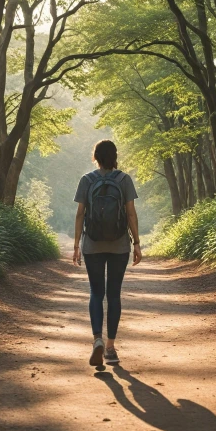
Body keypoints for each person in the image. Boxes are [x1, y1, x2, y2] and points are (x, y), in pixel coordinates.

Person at [73, 139, 142, 367]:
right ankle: (110, 349)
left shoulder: (86, 180)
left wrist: (76, 246)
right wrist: (137, 244)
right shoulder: (124, 180)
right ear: (114, 156)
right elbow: (131, 214)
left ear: (95, 157)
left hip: (92, 244)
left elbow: (80, 214)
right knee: (113, 294)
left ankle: (97, 340)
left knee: (95, 292)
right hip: (119, 244)